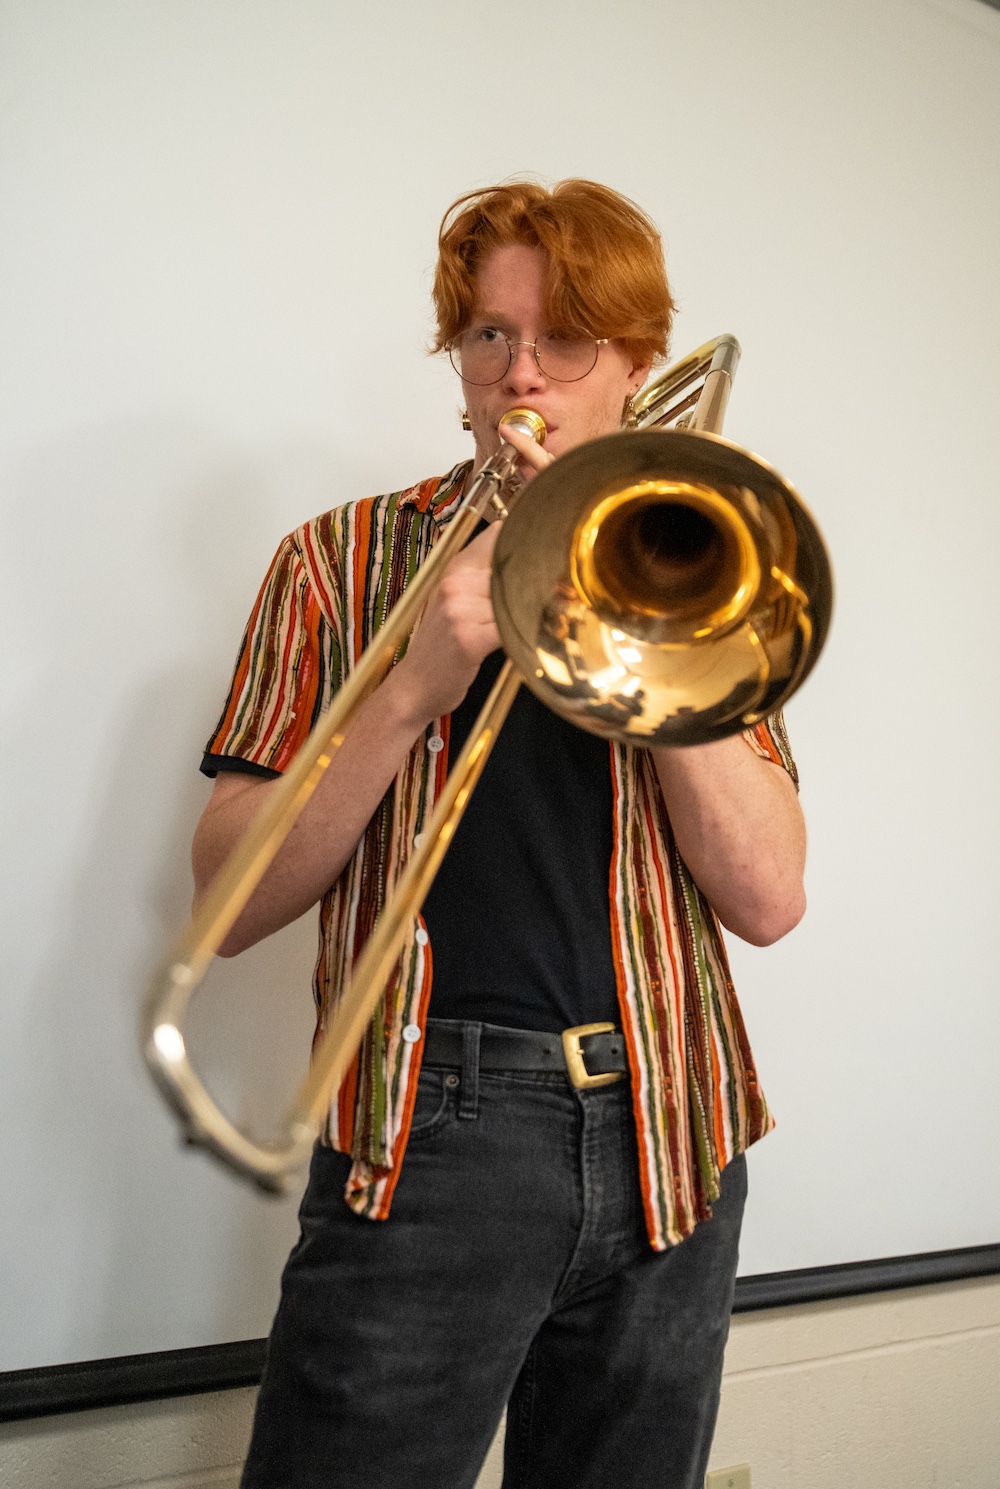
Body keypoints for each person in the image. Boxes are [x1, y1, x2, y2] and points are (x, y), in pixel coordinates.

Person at [193, 179, 807, 1489]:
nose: (518, 374)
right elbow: (224, 900)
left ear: (639, 367)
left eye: (564, 339)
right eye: (486, 336)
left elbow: (766, 894)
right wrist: (415, 681)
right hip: (429, 1135)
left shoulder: (704, 559)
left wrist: (647, 630)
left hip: (675, 1130)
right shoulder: (336, 564)